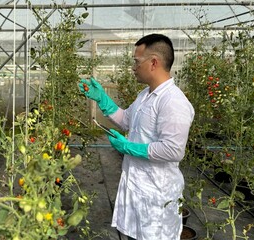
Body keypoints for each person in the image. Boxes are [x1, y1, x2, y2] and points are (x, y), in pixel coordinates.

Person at [79, 34, 195, 240]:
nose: (133, 66)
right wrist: (102, 100)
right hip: (138, 187)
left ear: (153, 63)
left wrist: (129, 147)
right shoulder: (146, 95)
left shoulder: (173, 102)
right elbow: (126, 120)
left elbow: (173, 149)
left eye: (136, 61)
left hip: (157, 194)